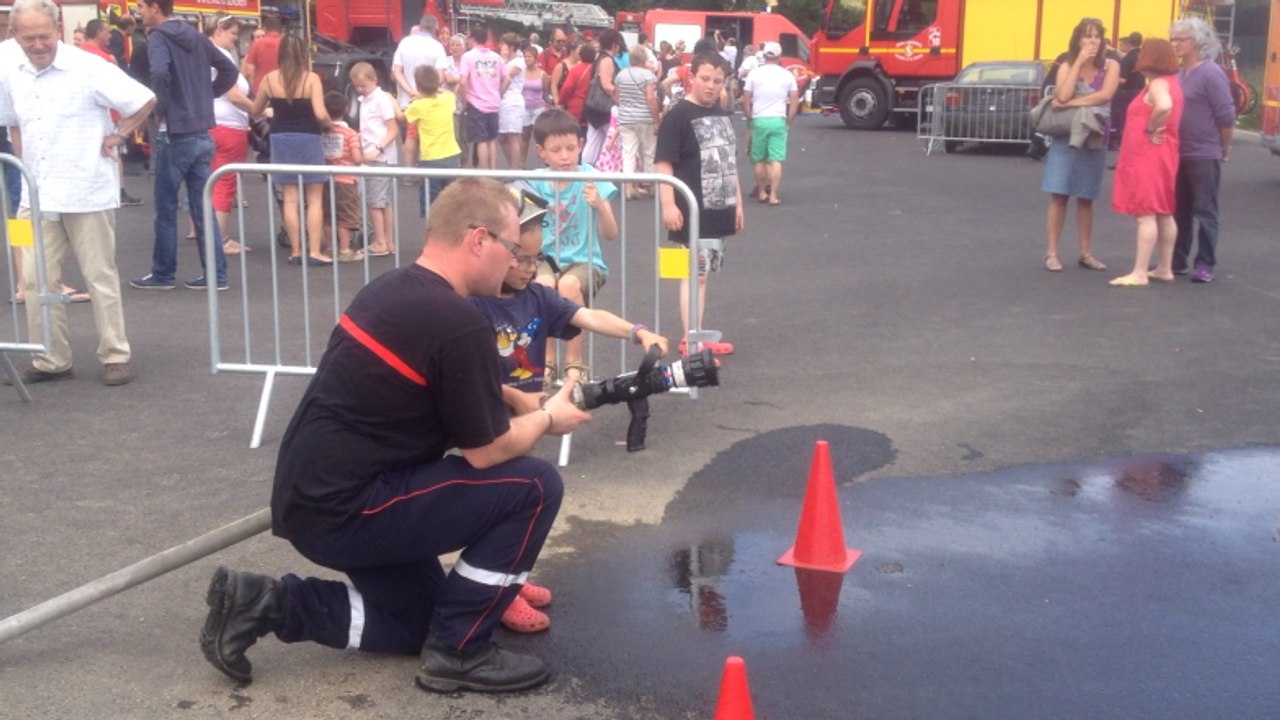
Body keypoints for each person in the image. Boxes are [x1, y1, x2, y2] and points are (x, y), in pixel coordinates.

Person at [198, 177, 592, 694]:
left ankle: (266, 603)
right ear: (478, 240)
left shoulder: (392, 289)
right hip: (354, 507)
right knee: (536, 485)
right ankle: (461, 652)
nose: (520, 262)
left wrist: (514, 399)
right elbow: (487, 452)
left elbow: (425, 393)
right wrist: (547, 419)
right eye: (512, 247)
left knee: (419, 624)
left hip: (312, 497)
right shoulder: (461, 323)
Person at [0, 0, 155, 386]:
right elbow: (12, 123)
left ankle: (115, 355)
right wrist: (25, 165)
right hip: (34, 196)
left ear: (59, 30)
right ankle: (50, 358)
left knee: (99, 275)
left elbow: (143, 99)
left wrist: (119, 135)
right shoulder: (8, 67)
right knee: (34, 280)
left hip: (87, 189)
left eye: (45, 36)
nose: (38, 44)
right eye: (29, 37)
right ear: (14, 34)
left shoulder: (87, 66)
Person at [129, 0, 237, 292]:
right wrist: (205, 96)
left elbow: (160, 73)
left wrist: (159, 108)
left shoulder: (158, 38)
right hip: (202, 130)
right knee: (204, 207)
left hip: (174, 132)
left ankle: (163, 273)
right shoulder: (197, 37)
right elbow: (228, 69)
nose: (138, 11)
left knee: (166, 208)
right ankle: (216, 274)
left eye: (141, 6)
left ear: (155, 7)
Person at [655, 51, 742, 357]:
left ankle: (697, 335)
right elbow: (663, 162)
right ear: (692, 77)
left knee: (704, 277)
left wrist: (738, 204)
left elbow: (728, 162)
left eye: (718, 81)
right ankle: (691, 341)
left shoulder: (721, 114)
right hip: (688, 211)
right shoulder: (678, 115)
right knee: (693, 275)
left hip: (719, 209)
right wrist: (668, 204)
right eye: (705, 79)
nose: (711, 86)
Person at [526, 109, 620, 382]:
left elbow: (611, 233)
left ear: (581, 145)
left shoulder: (591, 177)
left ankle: (574, 360)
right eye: (556, 150)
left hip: (585, 260)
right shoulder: (536, 180)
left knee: (567, 286)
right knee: (543, 287)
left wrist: (600, 206)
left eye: (570, 148)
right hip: (545, 258)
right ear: (541, 152)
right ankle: (547, 358)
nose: (565, 156)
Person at [1041, 17, 1119, 273]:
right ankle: (1052, 252)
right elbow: (1061, 93)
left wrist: (1069, 103)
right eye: (1087, 36)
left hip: (1095, 137)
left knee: (1086, 197)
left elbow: (1105, 95)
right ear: (1077, 40)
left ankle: (1086, 253)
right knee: (1059, 194)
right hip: (1067, 137)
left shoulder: (1112, 65)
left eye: (1097, 36)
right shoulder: (1066, 64)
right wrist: (1077, 64)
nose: (1093, 41)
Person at [249, 32, 332, 266]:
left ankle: (295, 251)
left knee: (290, 198)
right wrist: (329, 123)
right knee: (314, 198)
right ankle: (314, 251)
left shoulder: (269, 79)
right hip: (308, 138)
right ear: (304, 54)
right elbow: (319, 113)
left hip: (281, 138)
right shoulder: (311, 79)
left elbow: (255, 109)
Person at [1108, 39, 1183, 287]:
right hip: (1164, 154)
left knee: (1145, 214)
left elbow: (1164, 106)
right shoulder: (1172, 83)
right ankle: (1164, 267)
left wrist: (1150, 127)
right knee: (1163, 211)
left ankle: (1140, 272)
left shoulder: (1158, 85)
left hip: (1147, 155)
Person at [1170, 17, 1235, 283]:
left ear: (1196, 42)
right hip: (1178, 152)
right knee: (1179, 210)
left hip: (1204, 153)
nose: (1175, 44)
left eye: (1180, 39)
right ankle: (1176, 260)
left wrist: (1224, 147)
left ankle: (1205, 263)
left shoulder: (1211, 73)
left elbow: (1226, 116)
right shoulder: (1177, 74)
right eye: (1173, 39)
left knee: (1205, 209)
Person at [83, 18, 145, 208]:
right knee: (113, 152)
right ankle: (119, 191)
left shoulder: (78, 55)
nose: (110, 35)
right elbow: (124, 92)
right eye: (107, 32)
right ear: (98, 33)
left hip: (86, 115)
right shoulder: (105, 58)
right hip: (108, 114)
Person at [207, 14, 253, 256]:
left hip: (212, 124)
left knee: (211, 181)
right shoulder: (221, 57)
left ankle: (209, 233)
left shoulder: (204, 54)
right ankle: (221, 239)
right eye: (233, 33)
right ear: (220, 29)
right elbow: (234, 95)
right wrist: (259, 109)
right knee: (225, 182)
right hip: (228, 127)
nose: (236, 39)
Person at [742, 41, 800, 207]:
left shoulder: (754, 74)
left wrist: (749, 118)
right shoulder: (787, 75)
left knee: (759, 159)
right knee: (776, 159)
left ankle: (761, 192)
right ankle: (773, 195)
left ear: (764, 55)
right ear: (779, 56)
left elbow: (746, 99)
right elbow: (794, 101)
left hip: (759, 119)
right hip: (778, 119)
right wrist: (789, 120)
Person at [350, 61, 398, 256]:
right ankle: (387, 241)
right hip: (376, 156)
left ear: (375, 80)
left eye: (364, 86)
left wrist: (376, 150)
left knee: (375, 201)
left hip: (380, 158)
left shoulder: (380, 99)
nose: (360, 90)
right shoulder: (367, 100)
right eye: (357, 86)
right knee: (383, 202)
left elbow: (393, 129)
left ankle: (380, 242)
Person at [391, 15, 448, 175]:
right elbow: (441, 75)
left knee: (409, 136)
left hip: (406, 100)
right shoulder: (437, 46)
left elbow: (397, 71)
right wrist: (426, 91)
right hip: (429, 100)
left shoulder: (405, 42)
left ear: (420, 26)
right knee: (426, 136)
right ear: (435, 28)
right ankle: (425, 170)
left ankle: (409, 172)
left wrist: (411, 91)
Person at [405, 65, 461, 210]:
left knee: (431, 203)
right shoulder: (448, 99)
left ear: (417, 86)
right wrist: (435, 89)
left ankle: (432, 231)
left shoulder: (417, 106)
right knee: (451, 202)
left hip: (431, 159)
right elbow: (447, 92)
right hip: (452, 156)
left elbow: (402, 117)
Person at [320, 91, 365, 263]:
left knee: (327, 215)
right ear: (346, 109)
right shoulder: (350, 134)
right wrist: (363, 157)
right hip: (346, 179)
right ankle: (345, 249)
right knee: (345, 216)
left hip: (325, 178)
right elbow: (356, 158)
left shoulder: (323, 131)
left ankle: (331, 247)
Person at [615, 44, 659, 200]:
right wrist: (657, 119)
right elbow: (650, 98)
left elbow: (616, 97)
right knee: (649, 151)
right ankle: (650, 185)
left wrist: (627, 107)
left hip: (626, 118)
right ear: (644, 59)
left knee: (628, 152)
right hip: (645, 118)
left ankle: (628, 188)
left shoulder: (621, 75)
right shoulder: (648, 76)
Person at [458, 26, 503, 170]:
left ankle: (483, 172)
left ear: (472, 39)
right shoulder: (496, 57)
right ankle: (493, 170)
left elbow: (463, 81)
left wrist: (464, 99)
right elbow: (507, 77)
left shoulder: (468, 56)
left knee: (481, 140)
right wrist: (499, 93)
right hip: (493, 102)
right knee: (491, 140)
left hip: (476, 103)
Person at [582, 30, 623, 165]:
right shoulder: (607, 60)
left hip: (594, 108)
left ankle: (586, 174)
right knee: (617, 142)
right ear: (614, 44)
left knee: (593, 143)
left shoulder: (599, 57)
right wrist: (623, 96)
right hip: (605, 109)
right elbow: (606, 85)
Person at [496, 33, 526, 169]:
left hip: (513, 102)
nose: (500, 47)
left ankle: (515, 170)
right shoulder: (506, 62)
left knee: (513, 136)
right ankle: (512, 167)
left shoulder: (518, 62)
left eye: (503, 45)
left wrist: (502, 58)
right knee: (502, 137)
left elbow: (504, 75)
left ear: (511, 47)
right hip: (502, 102)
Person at [1111, 32, 1145, 148]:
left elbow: (1123, 80)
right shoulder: (1143, 56)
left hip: (1128, 93)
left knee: (1125, 118)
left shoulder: (1128, 58)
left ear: (1129, 42)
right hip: (1141, 91)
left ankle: (1124, 142)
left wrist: (1110, 80)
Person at [519, 43, 548, 168]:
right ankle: (521, 165)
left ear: (535, 58)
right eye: (525, 57)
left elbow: (546, 92)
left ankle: (542, 166)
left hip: (538, 108)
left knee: (539, 139)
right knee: (524, 137)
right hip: (525, 107)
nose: (527, 59)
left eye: (529, 57)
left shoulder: (543, 74)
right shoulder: (520, 73)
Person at [241, 12, 282, 96]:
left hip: (262, 90)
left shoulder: (257, 45)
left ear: (265, 29)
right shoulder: (287, 43)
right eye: (257, 36)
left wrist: (254, 88)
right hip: (282, 89)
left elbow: (250, 70)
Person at [557, 42, 595, 131]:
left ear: (581, 55)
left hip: (575, 108)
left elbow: (566, 88)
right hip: (592, 108)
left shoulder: (575, 70)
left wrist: (562, 102)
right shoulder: (597, 70)